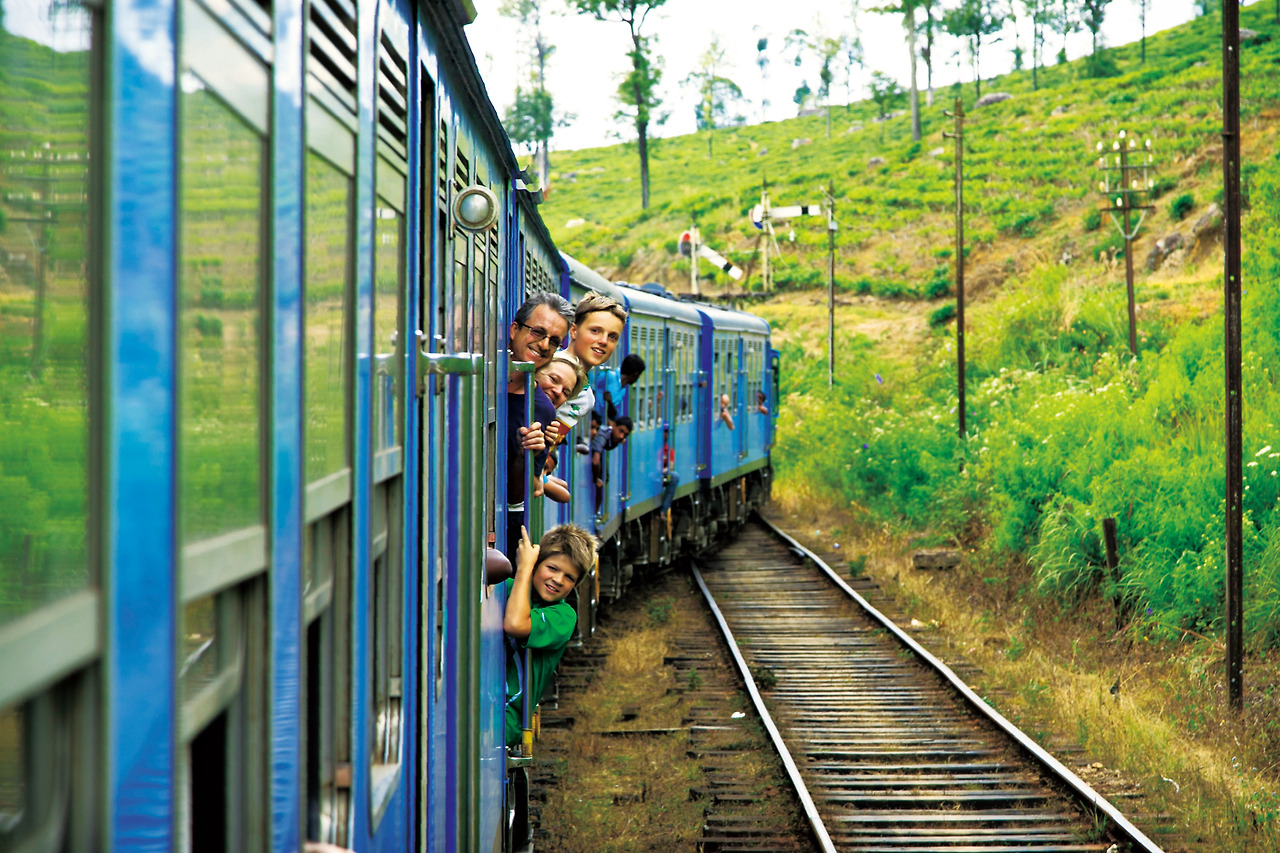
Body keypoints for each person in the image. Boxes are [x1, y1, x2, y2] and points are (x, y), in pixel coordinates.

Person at [503, 523, 597, 748]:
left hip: (504, 720)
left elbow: (516, 624)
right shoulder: (506, 588)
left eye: (570, 577)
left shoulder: (563, 616)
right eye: (553, 568)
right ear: (538, 563)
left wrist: (524, 568)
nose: (558, 580)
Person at [507, 293, 573, 557]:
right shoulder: (482, 380)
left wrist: (526, 456)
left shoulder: (542, 410)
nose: (544, 344)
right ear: (514, 329)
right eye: (538, 332)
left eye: (554, 341)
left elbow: (516, 499)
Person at [551, 293, 628, 443]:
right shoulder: (548, 367)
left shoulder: (586, 398)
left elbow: (550, 445)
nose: (604, 341)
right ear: (573, 331)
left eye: (612, 336)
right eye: (595, 331)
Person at [591, 415, 632, 511]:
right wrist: (596, 479)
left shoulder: (616, 438)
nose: (621, 436)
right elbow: (595, 461)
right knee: (600, 485)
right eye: (621, 431)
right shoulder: (602, 436)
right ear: (613, 426)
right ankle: (594, 514)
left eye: (625, 435)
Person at [593, 353, 645, 423]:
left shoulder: (623, 390)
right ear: (635, 374)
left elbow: (612, 413)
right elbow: (590, 384)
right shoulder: (609, 376)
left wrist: (609, 402)